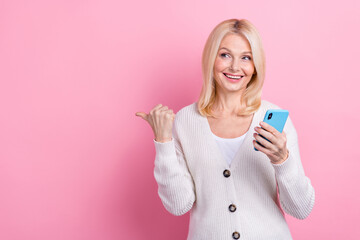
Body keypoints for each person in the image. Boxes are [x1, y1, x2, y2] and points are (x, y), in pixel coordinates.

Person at [135, 18, 315, 240]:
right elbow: (178, 205)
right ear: (211, 59)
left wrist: (282, 160)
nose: (235, 67)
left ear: (255, 66)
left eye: (246, 58)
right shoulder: (185, 121)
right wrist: (163, 143)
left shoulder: (276, 120)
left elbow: (301, 209)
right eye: (225, 55)